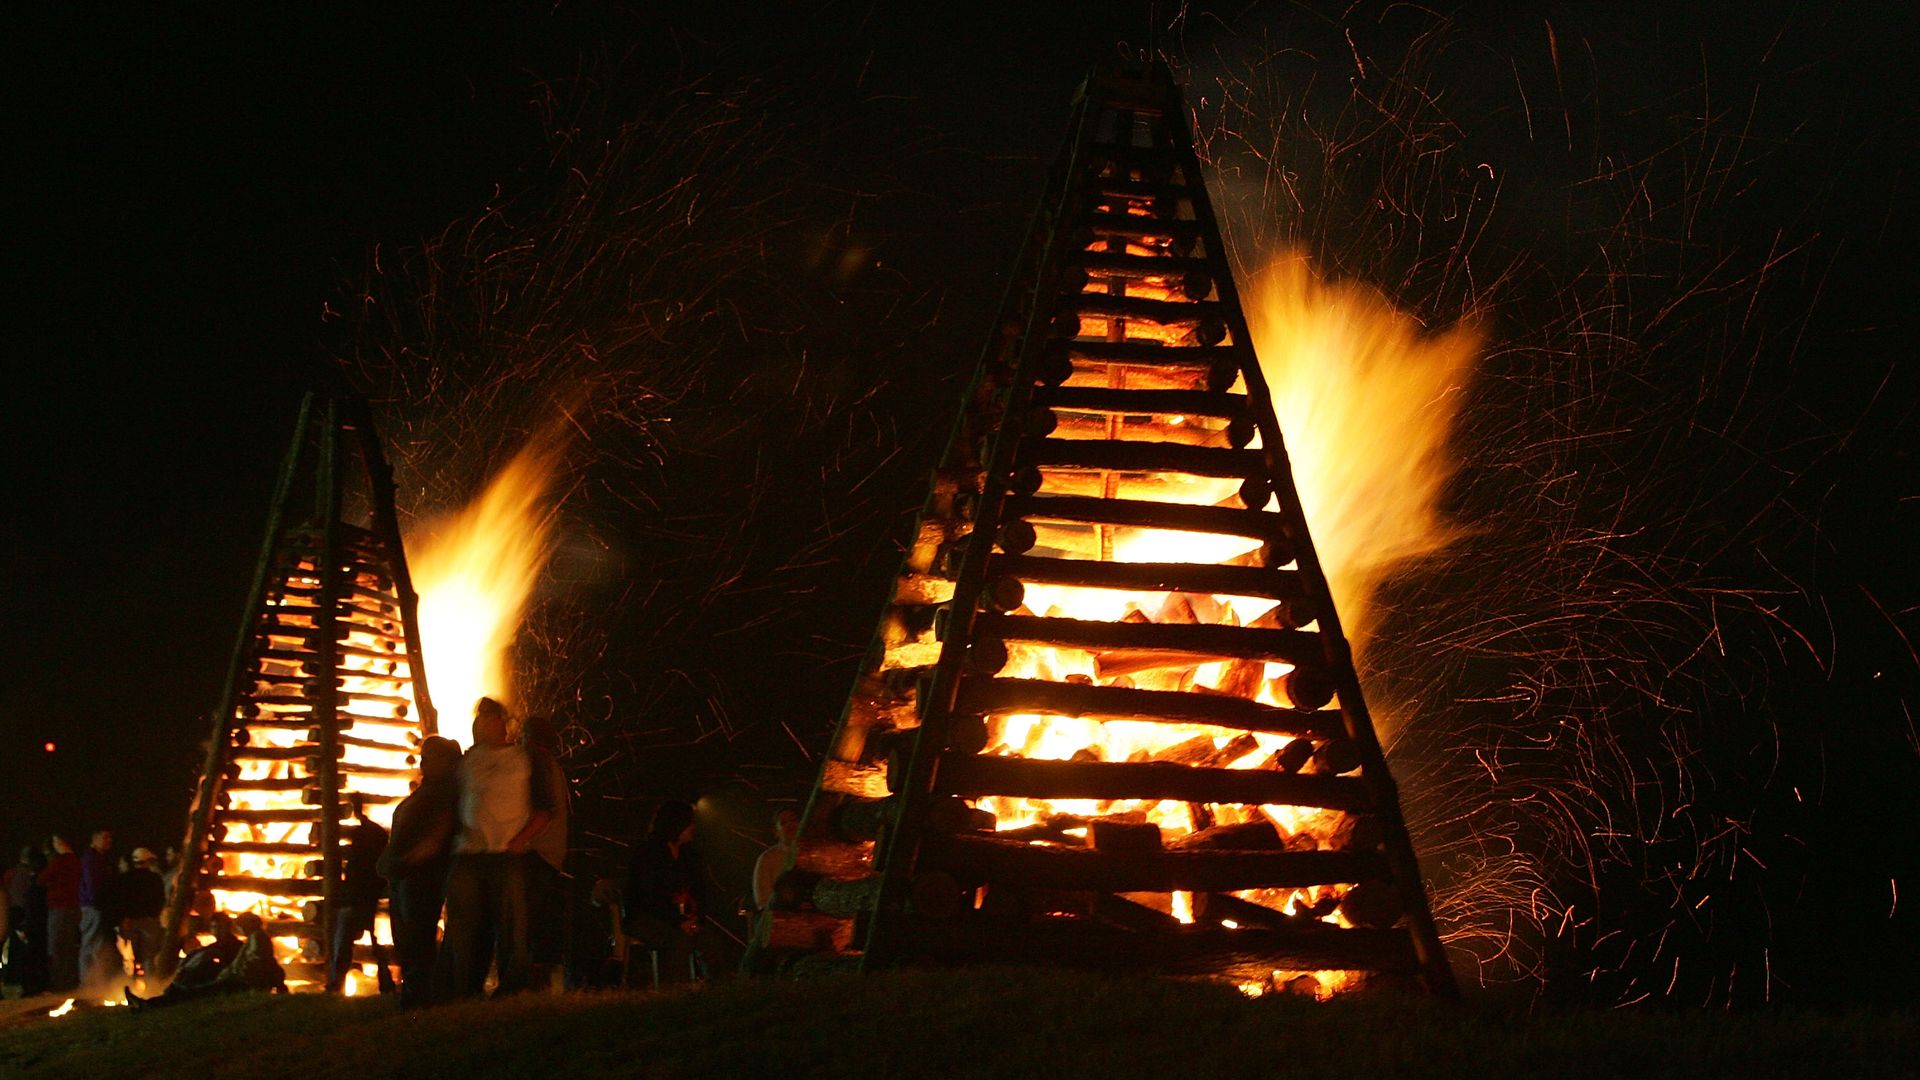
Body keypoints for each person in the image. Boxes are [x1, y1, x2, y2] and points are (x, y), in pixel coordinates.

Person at [438, 698, 555, 998]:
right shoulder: (467, 762)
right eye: (480, 719)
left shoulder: (524, 759)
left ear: (501, 723)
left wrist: (519, 841)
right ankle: (464, 990)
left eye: (489, 718)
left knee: (510, 927)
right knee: (464, 927)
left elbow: (545, 809)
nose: (482, 724)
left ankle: (511, 991)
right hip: (468, 855)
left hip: (507, 856)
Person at [379, 735, 461, 1005]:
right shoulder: (428, 792)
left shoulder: (442, 796)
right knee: (408, 941)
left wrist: (405, 862)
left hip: (421, 879)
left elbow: (435, 839)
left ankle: (418, 1000)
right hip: (405, 877)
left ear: (444, 761)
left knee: (417, 940)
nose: (423, 762)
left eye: (429, 757)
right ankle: (414, 996)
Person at [125, 912, 282, 1010]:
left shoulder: (253, 940)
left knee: (194, 993)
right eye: (214, 927)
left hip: (234, 983)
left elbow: (257, 964)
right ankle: (153, 1001)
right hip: (229, 980)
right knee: (193, 992)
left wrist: (235, 975)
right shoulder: (250, 940)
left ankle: (150, 1004)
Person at [623, 800, 702, 984]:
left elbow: (699, 890)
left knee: (709, 941)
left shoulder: (689, 855)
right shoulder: (648, 854)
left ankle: (718, 990)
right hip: (646, 918)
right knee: (677, 940)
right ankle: (674, 990)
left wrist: (696, 918)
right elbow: (648, 898)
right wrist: (678, 921)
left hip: (680, 919)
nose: (693, 828)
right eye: (689, 823)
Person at [521, 715, 570, 988]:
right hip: (551, 855)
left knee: (531, 925)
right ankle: (547, 988)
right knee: (543, 924)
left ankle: (533, 989)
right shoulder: (553, 765)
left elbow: (544, 812)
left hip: (537, 852)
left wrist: (519, 841)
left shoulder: (538, 763)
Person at [327, 795, 393, 992]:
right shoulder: (373, 833)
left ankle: (337, 983)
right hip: (364, 894)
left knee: (344, 942)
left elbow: (359, 867)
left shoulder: (368, 833)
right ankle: (385, 983)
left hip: (357, 895)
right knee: (371, 942)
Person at [38, 835, 82, 992]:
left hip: (59, 908)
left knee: (57, 946)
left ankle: (59, 983)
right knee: (69, 946)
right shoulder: (77, 861)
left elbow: (41, 879)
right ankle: (70, 980)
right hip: (74, 907)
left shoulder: (60, 862)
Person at [78, 829, 121, 986]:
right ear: (95, 839)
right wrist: (98, 903)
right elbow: (93, 884)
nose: (109, 840)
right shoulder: (91, 859)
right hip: (93, 907)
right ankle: (88, 983)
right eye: (105, 837)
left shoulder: (100, 859)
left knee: (97, 946)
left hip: (98, 906)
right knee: (90, 945)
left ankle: (96, 982)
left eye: (110, 837)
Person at [118, 848, 167, 977]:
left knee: (128, 956)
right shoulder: (155, 878)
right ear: (148, 861)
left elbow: (121, 900)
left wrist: (124, 917)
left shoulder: (125, 878)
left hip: (130, 921)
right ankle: (150, 985)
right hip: (150, 921)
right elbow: (161, 899)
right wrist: (154, 914)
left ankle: (127, 984)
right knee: (149, 957)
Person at [752, 809, 800, 912]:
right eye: (783, 823)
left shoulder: (816, 854)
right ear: (776, 832)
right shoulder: (768, 859)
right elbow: (763, 901)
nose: (790, 825)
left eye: (794, 820)